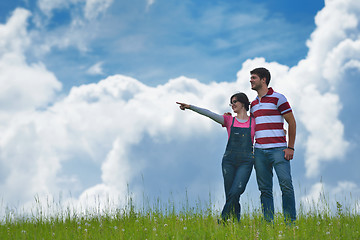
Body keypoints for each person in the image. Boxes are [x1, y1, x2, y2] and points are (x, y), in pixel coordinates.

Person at [176, 92, 255, 222]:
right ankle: (236, 223)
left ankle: (223, 220)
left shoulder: (254, 122)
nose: (232, 105)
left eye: (234, 101)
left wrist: (281, 131)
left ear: (243, 103)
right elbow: (208, 113)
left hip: (246, 162)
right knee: (231, 194)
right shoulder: (229, 120)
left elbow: (266, 129)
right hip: (229, 161)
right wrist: (190, 107)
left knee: (236, 192)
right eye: (231, 102)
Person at [249, 67, 296, 223]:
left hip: (279, 150)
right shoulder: (253, 104)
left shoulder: (278, 98)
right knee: (265, 190)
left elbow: (291, 122)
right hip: (259, 152)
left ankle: (290, 223)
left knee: (286, 186)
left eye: (254, 77)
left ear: (263, 79)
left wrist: (290, 147)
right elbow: (250, 125)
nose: (251, 80)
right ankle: (268, 223)